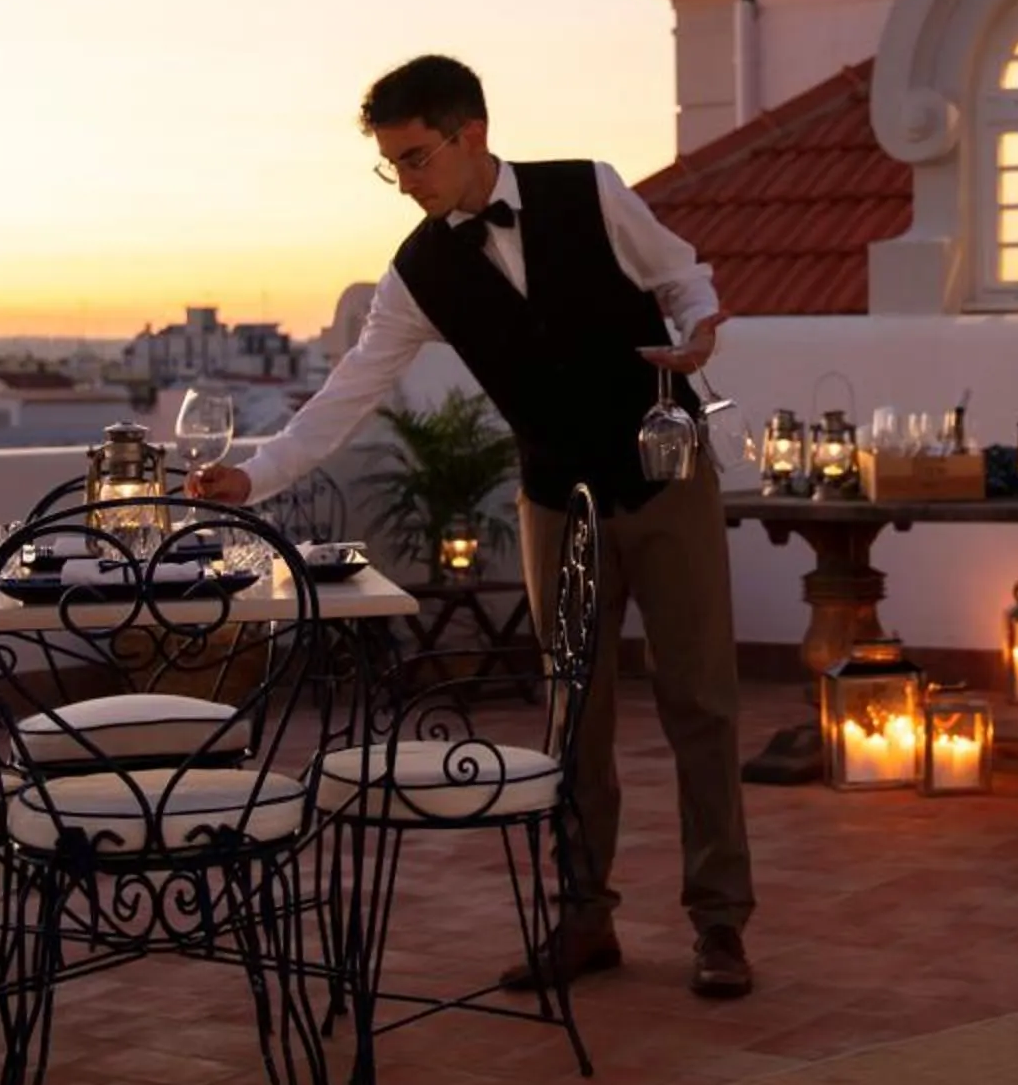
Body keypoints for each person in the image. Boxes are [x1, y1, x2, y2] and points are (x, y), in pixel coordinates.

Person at [189, 53, 757, 999]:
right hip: (553, 497)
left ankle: (721, 925)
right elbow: (350, 392)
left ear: (471, 135)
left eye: (414, 160)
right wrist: (257, 473)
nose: (405, 184)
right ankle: (582, 920)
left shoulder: (593, 190)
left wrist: (699, 331)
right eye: (392, 167)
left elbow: (684, 277)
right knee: (574, 716)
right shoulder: (416, 275)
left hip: (667, 474)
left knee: (701, 701)